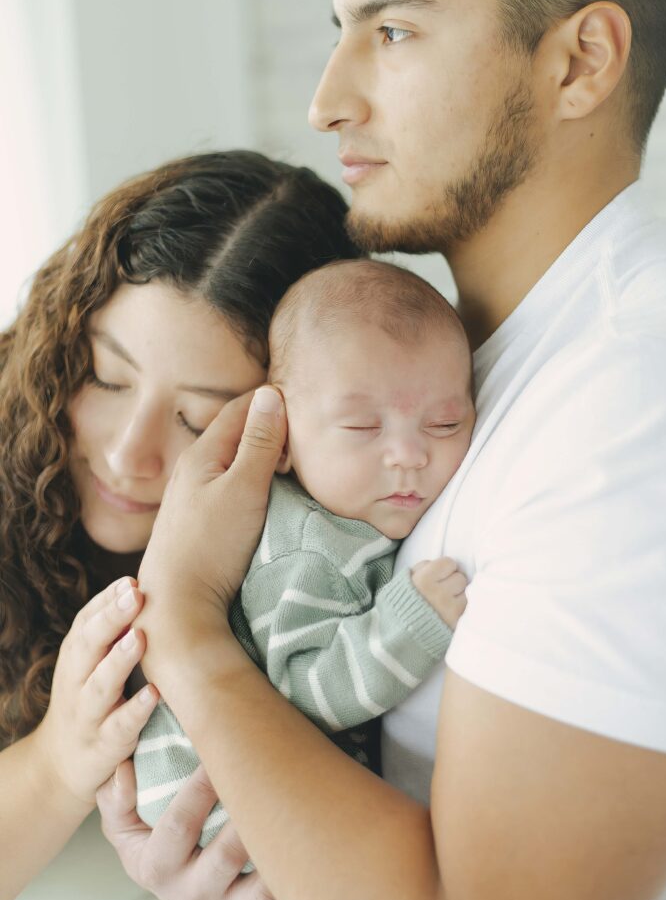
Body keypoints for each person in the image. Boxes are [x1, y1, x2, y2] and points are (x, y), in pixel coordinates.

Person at [97, 0, 666, 900]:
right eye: (340, 33)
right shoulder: (459, 363)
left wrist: (184, 628)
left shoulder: (634, 403)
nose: (325, 101)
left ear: (580, 60)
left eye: (394, 31)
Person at [0, 149, 362, 900]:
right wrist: (62, 757)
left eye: (196, 419)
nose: (130, 454)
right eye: (106, 376)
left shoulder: (316, 573)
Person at [133, 259, 474, 847]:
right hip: (211, 804)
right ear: (282, 439)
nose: (409, 454)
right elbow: (305, 692)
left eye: (444, 423)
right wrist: (407, 623)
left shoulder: (349, 520)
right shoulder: (306, 548)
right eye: (364, 427)